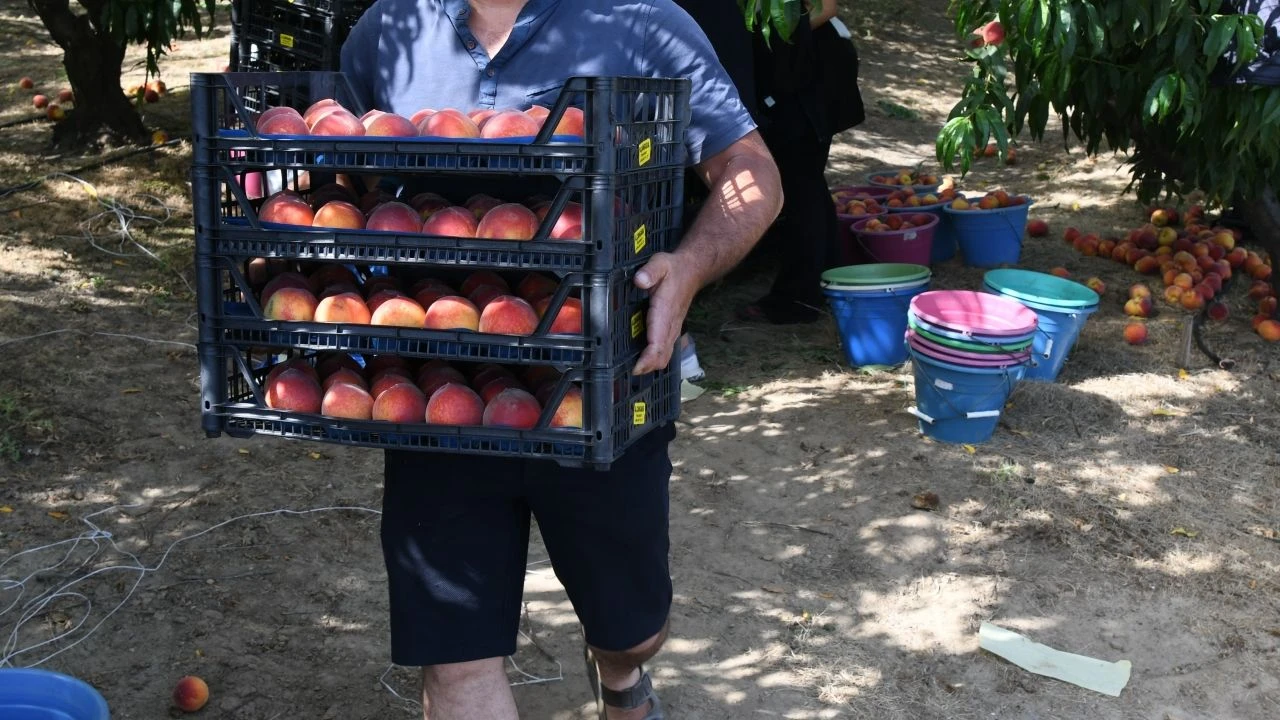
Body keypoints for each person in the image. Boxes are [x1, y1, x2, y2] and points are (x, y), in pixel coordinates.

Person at [339, 1, 783, 718]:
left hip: (603, 385)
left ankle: (621, 675)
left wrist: (691, 266)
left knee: (633, 630)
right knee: (455, 663)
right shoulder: (388, 30)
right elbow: (344, 172)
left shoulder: (641, 22)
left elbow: (750, 168)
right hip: (438, 386)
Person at [738, 0, 851, 324]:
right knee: (807, 180)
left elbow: (826, 7)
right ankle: (830, 281)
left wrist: (774, 38)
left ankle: (797, 298)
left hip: (808, 73)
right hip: (797, 71)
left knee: (799, 183)